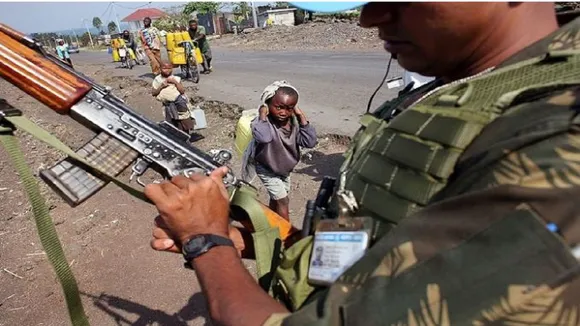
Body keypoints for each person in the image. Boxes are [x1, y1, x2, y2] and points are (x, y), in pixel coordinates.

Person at [145, 2, 580, 326]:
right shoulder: (454, 88)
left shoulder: (556, 139)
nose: (370, 18)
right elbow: (377, 235)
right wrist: (246, 240)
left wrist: (207, 244)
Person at [246, 81, 317, 221]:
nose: (283, 113)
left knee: (277, 199)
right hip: (267, 168)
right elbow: (264, 137)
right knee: (283, 201)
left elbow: (310, 142)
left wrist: (301, 117)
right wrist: (262, 114)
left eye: (289, 108)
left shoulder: (294, 123)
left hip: (285, 169)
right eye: (278, 107)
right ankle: (287, 236)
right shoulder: (262, 122)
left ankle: (271, 222)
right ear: (267, 104)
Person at [151, 62, 195, 134]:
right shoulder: (157, 80)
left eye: (169, 68)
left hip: (179, 102)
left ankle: (185, 137)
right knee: (172, 121)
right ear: (160, 69)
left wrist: (175, 82)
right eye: (164, 68)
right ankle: (176, 138)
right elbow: (154, 93)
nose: (167, 70)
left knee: (183, 120)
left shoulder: (176, 78)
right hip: (167, 105)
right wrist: (162, 86)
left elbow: (182, 91)